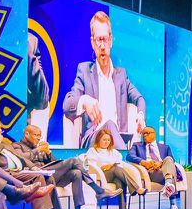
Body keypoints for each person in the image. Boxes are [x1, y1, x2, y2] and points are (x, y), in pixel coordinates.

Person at [62, 11, 146, 148]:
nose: (102, 45)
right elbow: (67, 104)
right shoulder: (84, 71)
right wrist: (84, 101)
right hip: (94, 140)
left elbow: (139, 99)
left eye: (105, 39)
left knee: (115, 130)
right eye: (98, 40)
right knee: (109, 125)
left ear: (111, 40)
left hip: (117, 142)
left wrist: (140, 115)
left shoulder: (121, 75)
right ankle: (127, 159)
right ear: (92, 43)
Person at [13, 123, 96, 209]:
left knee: (76, 173)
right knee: (73, 161)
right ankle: (97, 189)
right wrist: (37, 150)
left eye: (40, 136)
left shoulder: (40, 147)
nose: (38, 138)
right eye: (36, 135)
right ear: (26, 134)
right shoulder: (17, 146)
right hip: (34, 175)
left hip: (48, 173)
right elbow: (22, 158)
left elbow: (54, 163)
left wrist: (48, 153)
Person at [84, 128, 143, 209]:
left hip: (115, 174)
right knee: (116, 169)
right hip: (101, 176)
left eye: (108, 140)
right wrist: (104, 167)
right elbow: (91, 167)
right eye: (104, 140)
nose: (106, 142)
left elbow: (120, 165)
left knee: (119, 180)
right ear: (98, 139)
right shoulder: (92, 151)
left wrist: (111, 166)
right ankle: (137, 188)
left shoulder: (114, 152)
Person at [128, 126, 183, 209]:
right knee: (171, 175)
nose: (145, 135)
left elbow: (172, 160)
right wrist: (145, 162)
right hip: (150, 172)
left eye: (147, 133)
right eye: (143, 133)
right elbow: (130, 156)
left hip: (164, 170)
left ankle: (168, 183)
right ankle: (173, 203)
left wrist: (160, 163)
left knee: (169, 159)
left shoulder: (165, 147)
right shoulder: (137, 145)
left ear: (154, 134)